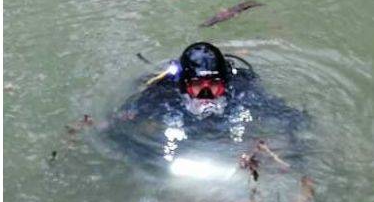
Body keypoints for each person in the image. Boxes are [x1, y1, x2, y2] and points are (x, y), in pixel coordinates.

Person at [107, 41, 307, 166]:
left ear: (225, 85)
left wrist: (294, 149)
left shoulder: (241, 90)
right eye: (197, 86)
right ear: (184, 86)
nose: (206, 94)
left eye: (214, 85)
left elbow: (288, 116)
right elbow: (119, 126)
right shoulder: (164, 94)